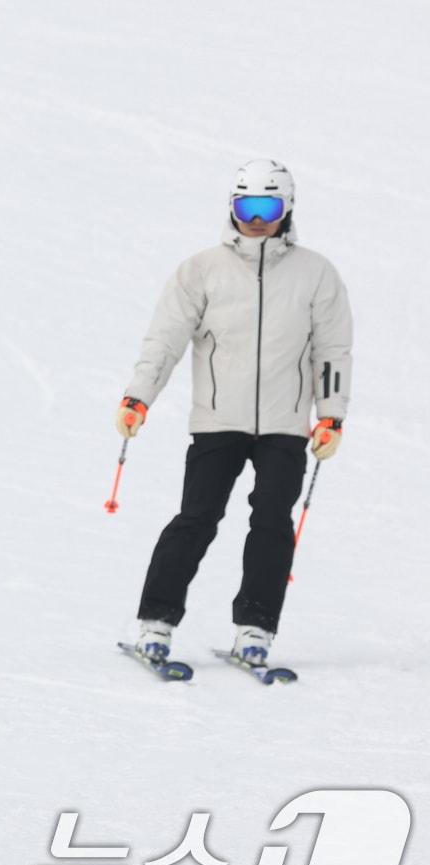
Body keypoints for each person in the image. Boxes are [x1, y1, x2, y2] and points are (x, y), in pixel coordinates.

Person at [118, 159, 352, 666]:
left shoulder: (316, 273)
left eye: (267, 206)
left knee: (272, 521)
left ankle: (256, 629)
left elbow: (332, 349)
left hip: (286, 425)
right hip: (218, 421)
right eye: (246, 205)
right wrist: (138, 397)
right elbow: (165, 340)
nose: (256, 218)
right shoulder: (201, 270)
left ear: (287, 207)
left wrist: (331, 415)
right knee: (197, 518)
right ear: (232, 206)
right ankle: (155, 621)